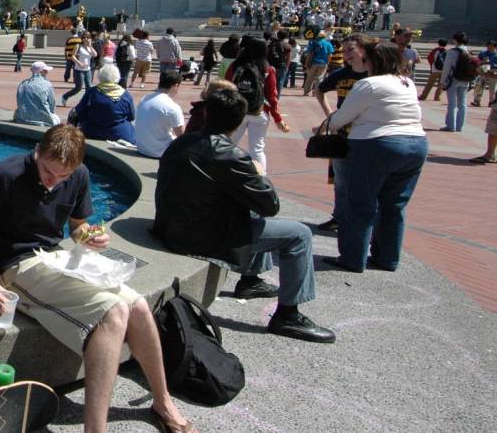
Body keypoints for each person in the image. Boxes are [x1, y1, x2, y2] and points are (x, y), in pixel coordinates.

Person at [0, 125, 195, 433]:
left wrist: (90, 237)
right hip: (16, 266)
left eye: (62, 177)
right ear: (37, 152)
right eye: (47, 172)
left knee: (138, 307)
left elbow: (78, 226)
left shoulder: (78, 175)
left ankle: (163, 402)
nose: (53, 182)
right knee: (115, 311)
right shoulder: (6, 174)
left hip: (57, 258)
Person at [155, 89, 335, 343]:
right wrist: (259, 173)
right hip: (204, 236)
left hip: (174, 226)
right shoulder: (232, 155)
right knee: (299, 235)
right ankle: (288, 315)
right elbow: (270, 206)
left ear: (206, 113)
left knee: (248, 207)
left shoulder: (182, 143)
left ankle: (250, 280)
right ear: (240, 121)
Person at [326, 41, 428, 272]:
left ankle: (352, 258)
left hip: (374, 144)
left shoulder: (368, 84)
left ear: (372, 61)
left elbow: (342, 117)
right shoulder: (407, 82)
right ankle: (387, 258)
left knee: (359, 204)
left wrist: (327, 126)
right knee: (394, 205)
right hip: (415, 143)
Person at [313, 34, 372, 234]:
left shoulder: (373, 76)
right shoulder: (341, 74)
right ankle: (339, 216)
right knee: (340, 179)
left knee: (363, 179)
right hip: (342, 133)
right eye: (344, 50)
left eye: (351, 50)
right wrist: (330, 115)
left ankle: (362, 220)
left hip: (365, 134)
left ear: (363, 50)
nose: (346, 54)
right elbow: (319, 90)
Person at [227, 36, 290, 174]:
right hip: (259, 111)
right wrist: (278, 118)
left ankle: (226, 173)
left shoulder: (236, 66)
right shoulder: (268, 69)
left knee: (228, 144)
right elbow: (272, 96)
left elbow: (226, 87)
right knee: (257, 148)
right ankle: (261, 177)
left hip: (238, 110)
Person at [72, 63, 135, 143]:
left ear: (100, 76)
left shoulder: (92, 92)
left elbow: (80, 112)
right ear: (117, 76)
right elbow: (131, 117)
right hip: (120, 135)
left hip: (92, 133)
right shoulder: (125, 95)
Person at [439, 32, 473, 132]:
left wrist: (442, 81)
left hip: (453, 79)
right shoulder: (468, 51)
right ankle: (459, 126)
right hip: (465, 80)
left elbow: (446, 68)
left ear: (455, 40)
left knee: (452, 104)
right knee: (462, 104)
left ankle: (451, 126)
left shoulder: (452, 52)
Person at [14, 61, 58, 127]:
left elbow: (19, 102)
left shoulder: (23, 84)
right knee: (56, 118)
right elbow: (52, 105)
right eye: (45, 71)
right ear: (40, 72)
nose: (47, 72)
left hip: (22, 118)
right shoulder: (47, 84)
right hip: (43, 121)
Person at [61, 34, 96, 106]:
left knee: (89, 87)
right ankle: (65, 96)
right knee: (78, 88)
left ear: (90, 39)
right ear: (82, 39)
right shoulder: (78, 46)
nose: (86, 39)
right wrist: (79, 63)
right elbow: (72, 56)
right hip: (78, 70)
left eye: (88, 37)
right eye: (84, 37)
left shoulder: (90, 47)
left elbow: (95, 55)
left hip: (87, 70)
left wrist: (90, 46)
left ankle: (87, 102)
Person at [471, 39, 497, 107]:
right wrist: (482, 61)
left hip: (493, 74)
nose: (489, 48)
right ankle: (476, 101)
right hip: (483, 73)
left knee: (493, 89)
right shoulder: (483, 53)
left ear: (495, 47)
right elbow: (477, 62)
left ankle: (491, 102)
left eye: (491, 46)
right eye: (488, 46)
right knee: (479, 86)